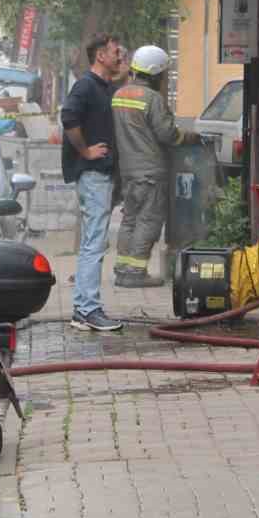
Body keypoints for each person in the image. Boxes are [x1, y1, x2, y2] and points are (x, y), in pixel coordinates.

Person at [111, 45, 200, 287]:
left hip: (128, 171)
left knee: (130, 219)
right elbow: (167, 134)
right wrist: (188, 137)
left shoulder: (119, 95)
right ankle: (136, 273)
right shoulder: (152, 99)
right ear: (156, 73)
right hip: (151, 170)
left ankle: (122, 269)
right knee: (149, 220)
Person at [60, 33, 126, 332]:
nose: (120, 55)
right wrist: (85, 151)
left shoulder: (105, 87)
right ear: (100, 55)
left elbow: (121, 73)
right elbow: (69, 117)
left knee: (95, 241)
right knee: (94, 243)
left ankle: (84, 309)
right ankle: (87, 309)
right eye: (115, 51)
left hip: (103, 174)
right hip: (93, 174)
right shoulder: (86, 86)